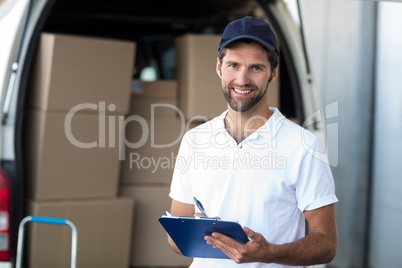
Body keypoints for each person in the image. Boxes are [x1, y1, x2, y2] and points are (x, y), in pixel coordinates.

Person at [167, 16, 338, 267]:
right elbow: (175, 239)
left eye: (256, 68)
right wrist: (197, 231)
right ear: (219, 68)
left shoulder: (304, 145)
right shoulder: (195, 140)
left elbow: (326, 245)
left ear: (273, 73)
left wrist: (269, 253)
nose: (242, 79)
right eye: (234, 65)